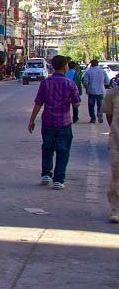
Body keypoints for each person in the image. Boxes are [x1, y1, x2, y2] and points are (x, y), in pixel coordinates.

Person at [28, 55, 81, 190]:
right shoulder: (70, 84)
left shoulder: (46, 83)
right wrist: (69, 99)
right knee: (63, 151)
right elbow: (77, 103)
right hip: (64, 122)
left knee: (47, 147)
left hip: (48, 121)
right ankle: (58, 180)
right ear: (65, 67)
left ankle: (46, 174)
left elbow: (38, 102)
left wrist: (32, 120)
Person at [105, 84, 119, 222]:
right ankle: (116, 209)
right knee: (117, 176)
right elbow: (109, 116)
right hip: (117, 141)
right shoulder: (113, 94)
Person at [82, 59, 108, 124]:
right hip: (101, 91)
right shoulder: (103, 71)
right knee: (100, 104)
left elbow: (85, 82)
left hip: (91, 91)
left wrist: (86, 89)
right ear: (97, 64)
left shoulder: (88, 72)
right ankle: (100, 113)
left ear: (91, 64)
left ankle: (93, 118)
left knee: (91, 106)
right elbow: (106, 82)